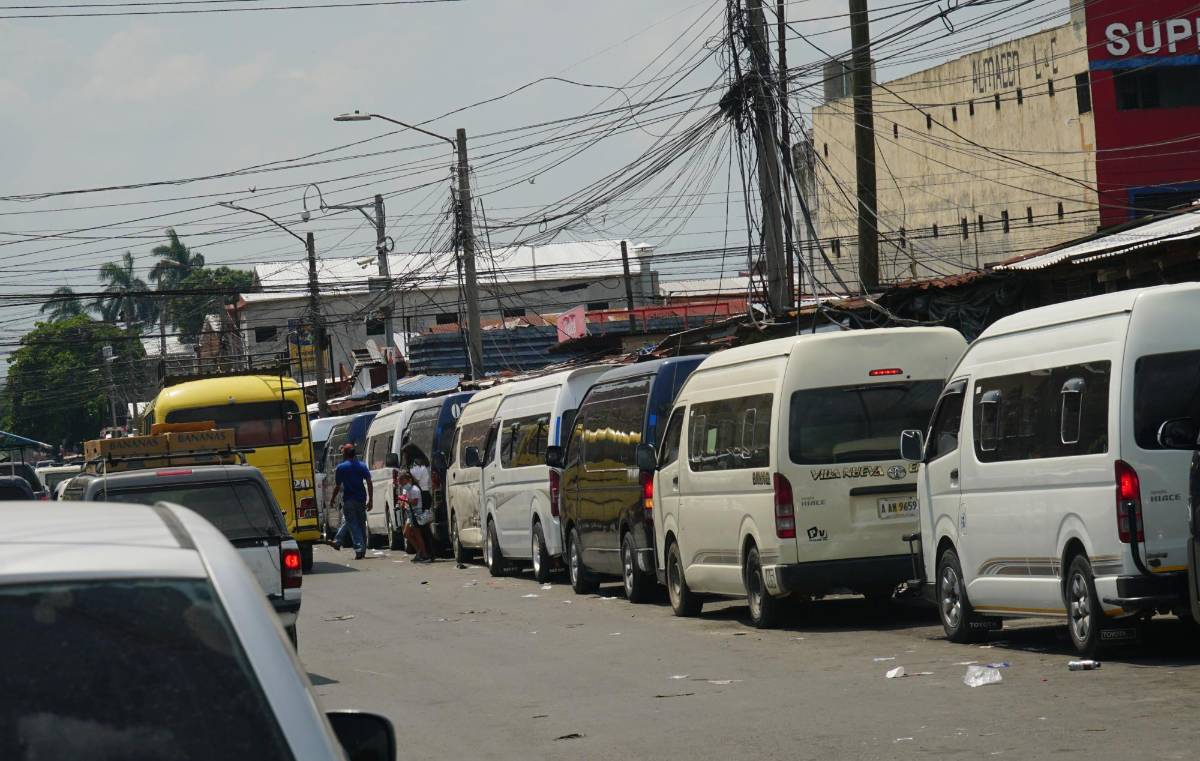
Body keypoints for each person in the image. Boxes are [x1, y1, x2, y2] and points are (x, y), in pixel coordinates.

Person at [330, 444, 372, 559]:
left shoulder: (341, 468)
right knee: (360, 524)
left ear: (345, 454)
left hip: (348, 500)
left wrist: (333, 499)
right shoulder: (362, 466)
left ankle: (359, 548)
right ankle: (357, 547)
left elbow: (337, 486)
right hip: (361, 499)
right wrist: (371, 499)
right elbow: (369, 482)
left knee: (353, 524)